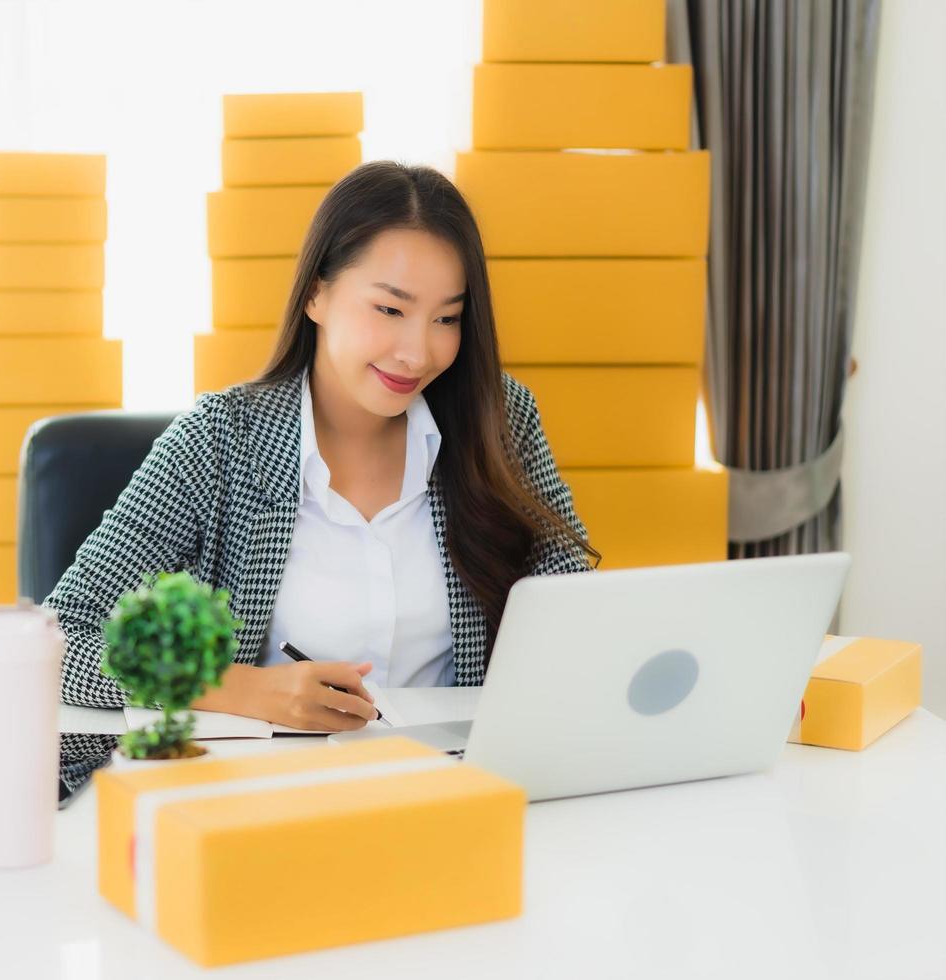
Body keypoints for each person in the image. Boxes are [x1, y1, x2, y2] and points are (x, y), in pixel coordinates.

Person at [49, 161, 599, 767]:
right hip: (270, 798)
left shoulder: (500, 417)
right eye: (390, 310)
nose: (417, 352)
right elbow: (61, 639)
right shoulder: (221, 439)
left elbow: (575, 614)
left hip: (458, 789)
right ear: (316, 293)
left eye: (446, 318)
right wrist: (248, 689)